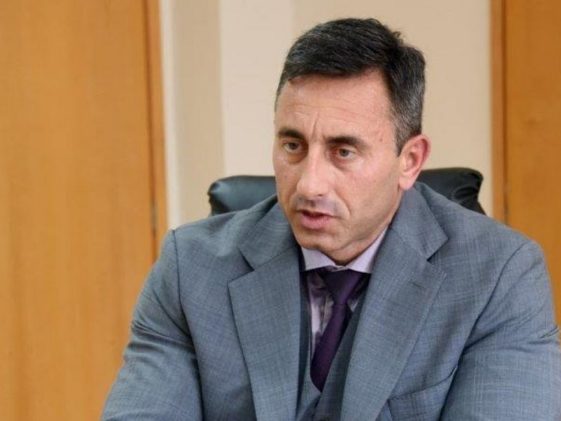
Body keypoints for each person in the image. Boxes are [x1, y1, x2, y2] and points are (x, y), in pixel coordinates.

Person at [103, 18, 561, 420]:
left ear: (410, 161)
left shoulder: (498, 276)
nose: (309, 185)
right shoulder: (191, 270)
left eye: (344, 151)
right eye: (293, 146)